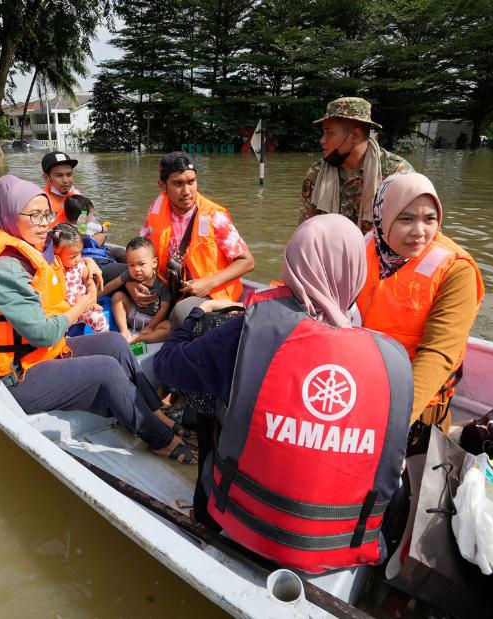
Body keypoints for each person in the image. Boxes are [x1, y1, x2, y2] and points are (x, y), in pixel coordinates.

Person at [154, 214, 413, 573]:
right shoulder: (390, 359)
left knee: (215, 400)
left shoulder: (245, 332)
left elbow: (168, 366)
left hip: (240, 522)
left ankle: (207, 517)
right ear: (357, 272)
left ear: (294, 262)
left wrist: (196, 318)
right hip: (339, 547)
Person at [0, 175, 195, 463]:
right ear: (11, 215)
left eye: (47, 215)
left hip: (40, 355)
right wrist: (85, 303)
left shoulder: (31, 242)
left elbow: (63, 248)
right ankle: (161, 440)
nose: (44, 224)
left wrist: (88, 260)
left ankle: (154, 413)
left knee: (115, 343)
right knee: (105, 369)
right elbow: (44, 334)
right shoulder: (6, 267)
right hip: (13, 376)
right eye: (34, 216)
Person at [357, 173, 484, 430]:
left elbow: (438, 354)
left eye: (430, 219)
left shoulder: (456, 271)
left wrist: (393, 423)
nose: (419, 232)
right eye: (406, 218)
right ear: (384, 216)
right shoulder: (362, 247)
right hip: (355, 387)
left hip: (413, 409)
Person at [124, 152, 254, 327]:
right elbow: (140, 252)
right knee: (111, 273)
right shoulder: (156, 210)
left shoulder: (214, 217)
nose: (187, 192)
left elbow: (247, 261)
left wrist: (208, 284)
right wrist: (132, 283)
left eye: (191, 182)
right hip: (168, 287)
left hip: (208, 294)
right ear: (163, 186)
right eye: (178, 184)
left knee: (183, 313)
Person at [300, 97, 413, 232]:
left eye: (329, 133)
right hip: (333, 250)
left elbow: (412, 229)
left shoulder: (396, 172)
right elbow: (307, 230)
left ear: (355, 135)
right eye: (323, 133)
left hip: (377, 250)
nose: (322, 140)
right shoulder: (317, 173)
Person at [111, 237, 173, 344]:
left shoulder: (163, 285)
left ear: (154, 263)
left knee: (168, 328)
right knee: (117, 296)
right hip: (135, 314)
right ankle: (124, 331)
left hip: (153, 321)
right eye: (131, 265)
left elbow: (163, 309)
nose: (136, 269)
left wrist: (151, 326)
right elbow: (112, 285)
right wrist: (94, 297)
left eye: (142, 264)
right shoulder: (130, 274)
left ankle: (138, 339)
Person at [52, 222, 110, 334]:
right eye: (73, 256)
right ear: (56, 254)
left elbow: (89, 283)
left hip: (84, 308)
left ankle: (104, 337)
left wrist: (91, 299)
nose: (78, 258)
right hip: (65, 314)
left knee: (99, 318)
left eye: (79, 253)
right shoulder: (54, 269)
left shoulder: (80, 266)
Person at [63, 194, 113, 264]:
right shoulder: (90, 225)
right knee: (103, 235)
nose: (92, 216)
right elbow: (103, 229)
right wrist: (103, 228)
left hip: (78, 253)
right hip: (90, 253)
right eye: (91, 213)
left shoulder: (65, 227)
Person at [40, 150, 80, 222]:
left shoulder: (77, 195)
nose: (66, 180)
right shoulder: (40, 201)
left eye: (69, 174)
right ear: (46, 177)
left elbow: (85, 223)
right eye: (59, 175)